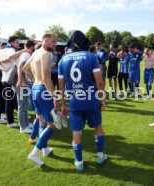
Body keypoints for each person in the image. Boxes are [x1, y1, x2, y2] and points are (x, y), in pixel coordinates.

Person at [58, 30, 107, 171]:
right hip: (91, 100)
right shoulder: (91, 57)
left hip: (74, 102)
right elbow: (100, 83)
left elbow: (61, 86)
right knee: (98, 127)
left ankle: (79, 162)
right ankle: (100, 155)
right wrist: (102, 100)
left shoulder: (63, 60)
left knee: (76, 133)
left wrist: (63, 104)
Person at [24, 33, 59, 166]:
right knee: (52, 124)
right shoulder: (46, 54)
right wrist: (54, 95)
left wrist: (34, 80)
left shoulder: (35, 53)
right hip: (44, 90)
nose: (55, 44)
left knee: (41, 121)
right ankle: (34, 153)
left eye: (56, 42)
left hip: (35, 89)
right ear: (45, 40)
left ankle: (44, 149)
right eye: (53, 41)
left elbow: (25, 68)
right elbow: (46, 77)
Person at [14, 40, 35, 133]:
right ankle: (23, 127)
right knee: (22, 105)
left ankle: (25, 123)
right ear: (32, 46)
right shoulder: (26, 54)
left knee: (25, 104)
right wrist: (20, 80)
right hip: (22, 84)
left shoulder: (23, 54)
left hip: (23, 83)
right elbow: (20, 67)